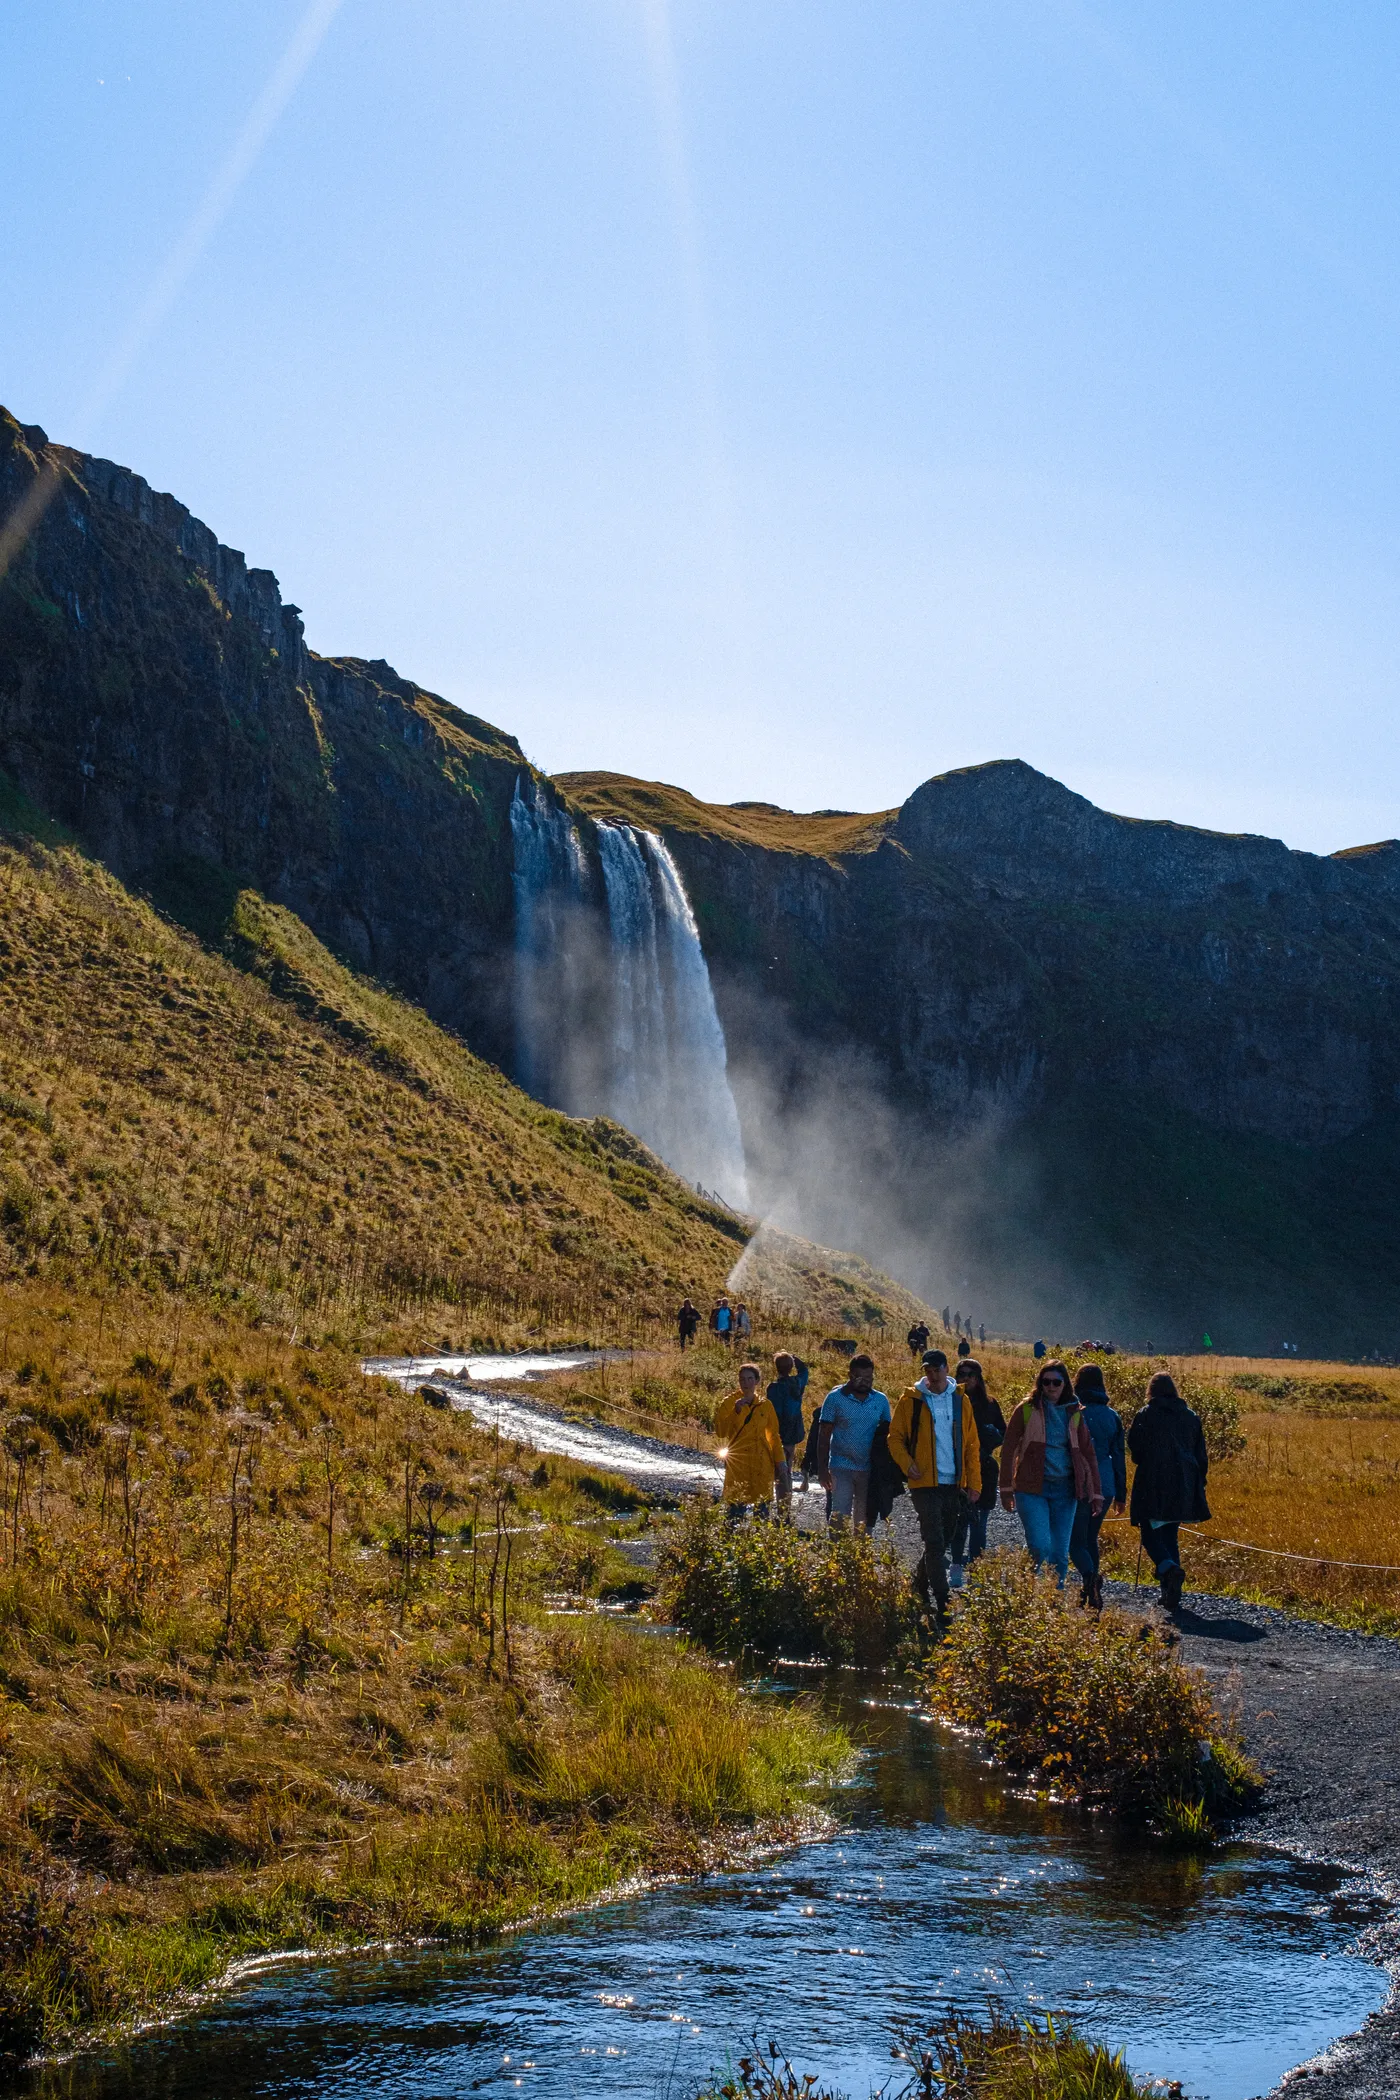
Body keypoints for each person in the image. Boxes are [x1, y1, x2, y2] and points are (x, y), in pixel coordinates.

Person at [888, 1349, 979, 1619]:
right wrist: (907, 1464)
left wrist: (974, 1483)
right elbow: (895, 1438)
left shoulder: (961, 1401)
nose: (933, 1375)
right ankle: (943, 1603)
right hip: (923, 1482)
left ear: (947, 1369)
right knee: (936, 1541)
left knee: (943, 1540)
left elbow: (972, 1445)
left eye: (937, 1369)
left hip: (953, 1483)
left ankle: (919, 1583)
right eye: (928, 1370)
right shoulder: (911, 1400)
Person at [999, 1360, 1103, 1586]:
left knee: (1059, 1553)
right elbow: (1008, 1449)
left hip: (1065, 1491)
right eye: (1046, 1382)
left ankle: (1055, 1601)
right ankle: (1028, 1593)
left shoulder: (1074, 1411)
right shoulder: (1026, 1409)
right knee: (1040, 1545)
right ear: (1040, 1383)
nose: (1051, 1387)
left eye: (1056, 1382)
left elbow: (1088, 1453)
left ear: (1065, 1384)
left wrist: (1096, 1493)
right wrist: (1006, 1488)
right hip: (1031, 1488)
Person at [1127, 1371, 1210, 1611]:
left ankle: (1168, 1569)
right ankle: (1170, 1591)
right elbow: (1201, 1455)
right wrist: (1198, 1483)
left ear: (1151, 1391)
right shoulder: (1191, 1417)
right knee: (1170, 1535)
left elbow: (1135, 1449)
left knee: (1150, 1536)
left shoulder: (1146, 1415)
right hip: (1183, 1484)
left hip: (1152, 1484)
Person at [1067, 1363, 1126, 1609]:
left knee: (1074, 1541)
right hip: (1107, 1485)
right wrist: (1121, 1494)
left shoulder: (1074, 1412)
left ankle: (1090, 1578)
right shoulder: (1112, 1416)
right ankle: (1089, 1587)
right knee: (1091, 1537)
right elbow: (1119, 1457)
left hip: (1079, 1484)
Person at [814, 1353, 891, 1534]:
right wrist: (822, 1469)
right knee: (840, 1515)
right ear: (850, 1375)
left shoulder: (880, 1400)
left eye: (869, 1378)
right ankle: (836, 1555)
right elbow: (823, 1436)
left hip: (868, 1467)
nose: (864, 1382)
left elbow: (888, 1434)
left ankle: (861, 1557)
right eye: (860, 1377)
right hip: (841, 1465)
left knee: (864, 1518)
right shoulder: (834, 1399)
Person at [947, 1358, 1005, 1588]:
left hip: (985, 1468)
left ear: (979, 1378)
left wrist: (989, 1439)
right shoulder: (951, 1401)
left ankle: (977, 1569)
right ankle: (957, 1566)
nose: (967, 1378)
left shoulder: (990, 1404)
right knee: (957, 1521)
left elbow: (1003, 1431)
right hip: (956, 1469)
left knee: (980, 1522)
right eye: (962, 1373)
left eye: (971, 1374)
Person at [713, 1362, 785, 1518]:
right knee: (735, 1510)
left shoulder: (765, 1405)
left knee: (762, 1510)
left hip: (761, 1463)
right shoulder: (729, 1402)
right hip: (739, 1463)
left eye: (750, 1379)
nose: (746, 1383)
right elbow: (720, 1432)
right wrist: (736, 1411)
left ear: (757, 1381)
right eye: (742, 1379)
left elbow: (773, 1436)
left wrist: (780, 1461)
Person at [767, 1351, 808, 1512]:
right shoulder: (797, 1383)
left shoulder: (773, 1388)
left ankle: (775, 1503)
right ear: (791, 1367)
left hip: (776, 1431)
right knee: (787, 1469)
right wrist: (796, 1358)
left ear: (776, 1368)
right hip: (792, 1431)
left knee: (776, 1469)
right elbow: (805, 1371)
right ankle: (785, 1508)